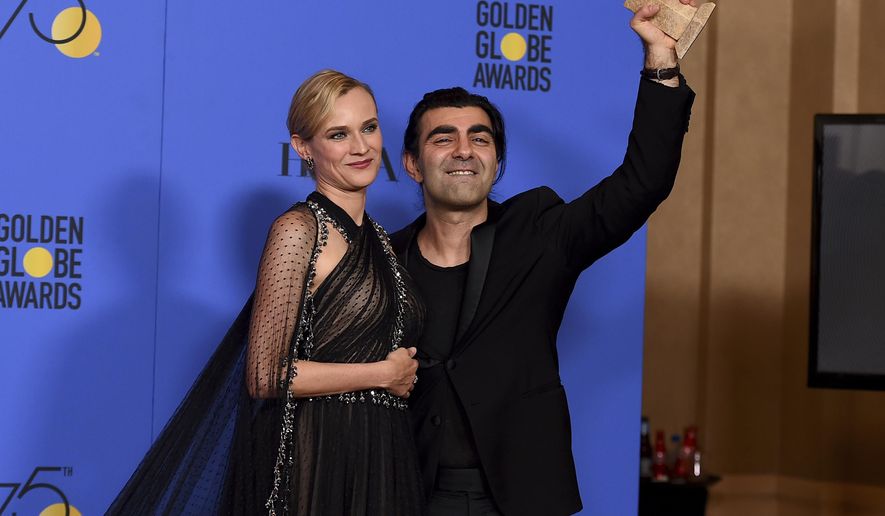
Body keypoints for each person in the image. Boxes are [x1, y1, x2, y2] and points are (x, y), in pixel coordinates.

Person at [389, 3, 699, 515]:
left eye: (480, 139)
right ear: (413, 164)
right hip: (407, 495)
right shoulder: (382, 258)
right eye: (443, 139)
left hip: (521, 498)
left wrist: (660, 59)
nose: (464, 150)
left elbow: (642, 182)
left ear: (496, 163)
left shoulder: (539, 232)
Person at [107, 70, 425, 515]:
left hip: (383, 455)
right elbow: (265, 375)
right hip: (317, 455)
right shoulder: (298, 231)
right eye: (338, 134)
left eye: (369, 127)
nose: (361, 146)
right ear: (303, 147)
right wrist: (381, 375)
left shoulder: (381, 240)